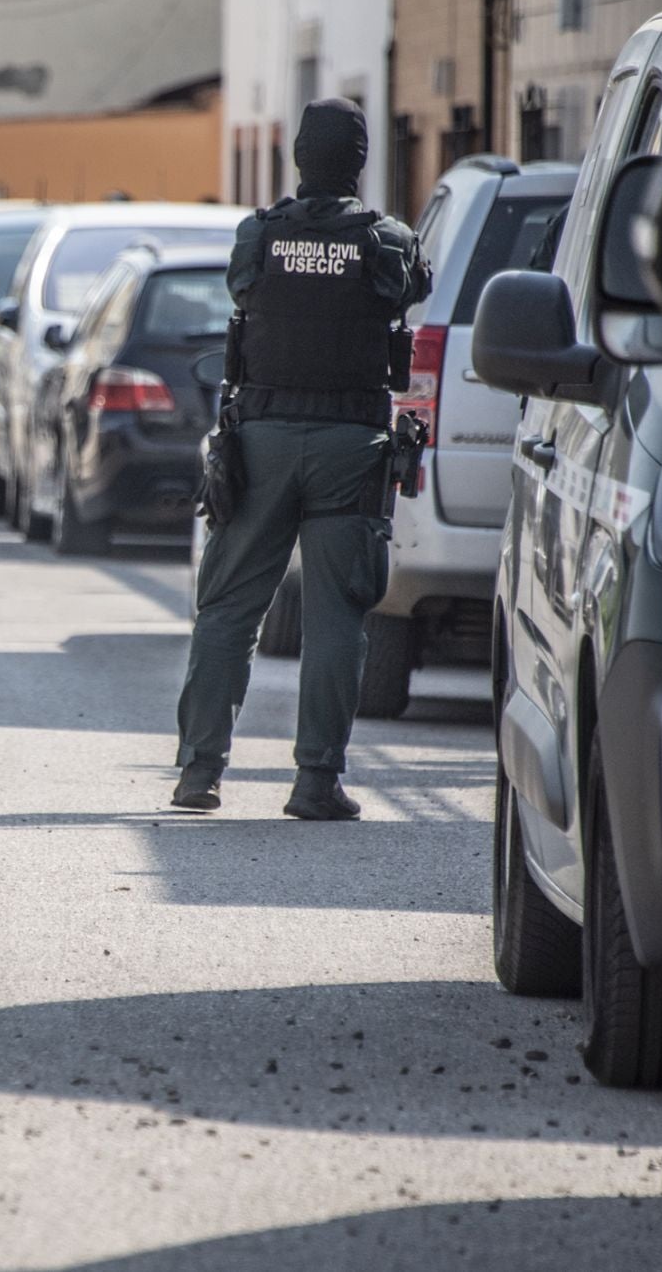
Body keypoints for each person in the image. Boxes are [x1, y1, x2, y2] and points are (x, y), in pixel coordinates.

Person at [171, 98, 432, 822]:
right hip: (350, 444)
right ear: (360, 161)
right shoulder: (387, 240)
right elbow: (416, 288)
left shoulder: (259, 233)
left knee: (228, 609)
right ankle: (316, 782)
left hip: (261, 440)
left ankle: (199, 772)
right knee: (337, 617)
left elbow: (240, 287)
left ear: (297, 156)